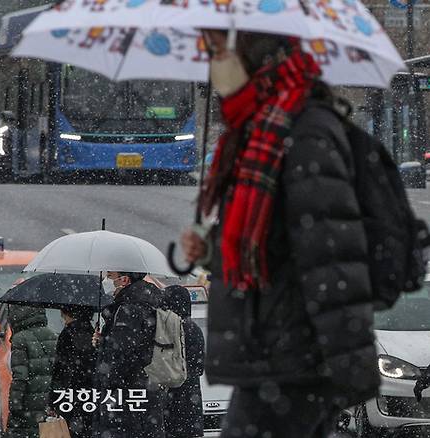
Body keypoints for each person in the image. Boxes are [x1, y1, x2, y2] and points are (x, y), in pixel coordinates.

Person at [180, 30, 379, 437]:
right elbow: (276, 241)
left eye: (219, 52)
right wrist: (213, 250)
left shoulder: (300, 133)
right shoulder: (260, 131)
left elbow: (330, 254)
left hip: (294, 358)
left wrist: (338, 365)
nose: (211, 63)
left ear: (252, 59)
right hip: (273, 354)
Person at [95, 271, 165, 438]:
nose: (108, 281)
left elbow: (120, 354)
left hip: (127, 394)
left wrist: (104, 348)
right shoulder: (152, 303)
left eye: (110, 277)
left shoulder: (129, 308)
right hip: (148, 388)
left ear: (124, 280)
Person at [6, 305, 58, 438]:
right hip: (48, 400)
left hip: (28, 402)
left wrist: (14, 404)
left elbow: (20, 376)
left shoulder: (20, 339)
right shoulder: (53, 335)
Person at [162, 286, 204, 438]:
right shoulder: (195, 329)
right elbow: (200, 367)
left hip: (170, 398)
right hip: (191, 398)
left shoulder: (166, 329)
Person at [49, 306, 97, 438]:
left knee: (71, 431)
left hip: (70, 393)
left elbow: (59, 369)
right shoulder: (92, 332)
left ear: (67, 313)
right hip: (91, 393)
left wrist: (53, 401)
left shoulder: (67, 334)